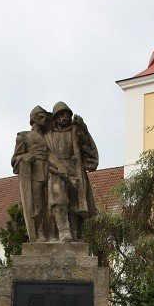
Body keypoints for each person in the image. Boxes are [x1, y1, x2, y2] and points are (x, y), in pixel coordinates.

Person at [44, 102, 99, 241]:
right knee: (59, 198)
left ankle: (73, 232)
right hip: (55, 171)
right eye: (61, 114)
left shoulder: (75, 130)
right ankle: (63, 231)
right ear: (55, 117)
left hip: (75, 169)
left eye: (67, 114)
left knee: (75, 203)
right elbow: (46, 154)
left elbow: (88, 148)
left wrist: (84, 130)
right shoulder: (48, 134)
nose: (65, 117)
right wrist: (57, 167)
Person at [11, 106, 51, 241]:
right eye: (41, 117)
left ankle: (51, 232)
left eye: (45, 117)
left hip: (51, 172)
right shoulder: (23, 136)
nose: (44, 119)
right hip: (35, 174)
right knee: (37, 205)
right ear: (33, 119)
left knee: (51, 205)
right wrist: (25, 156)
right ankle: (39, 233)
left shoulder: (48, 137)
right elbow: (14, 159)